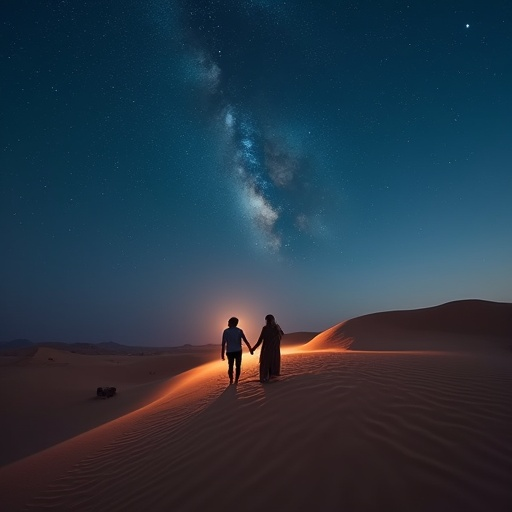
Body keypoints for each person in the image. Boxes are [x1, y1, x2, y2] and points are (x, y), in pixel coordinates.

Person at [252, 314, 284, 383]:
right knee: (267, 364)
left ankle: (271, 379)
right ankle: (268, 378)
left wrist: (253, 349)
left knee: (270, 364)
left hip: (272, 350)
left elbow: (282, 335)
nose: (268, 321)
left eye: (269, 320)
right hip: (269, 350)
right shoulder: (267, 328)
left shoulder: (275, 328)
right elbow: (260, 340)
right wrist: (253, 348)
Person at [221, 317, 253, 384]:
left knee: (230, 366)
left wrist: (222, 354)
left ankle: (232, 380)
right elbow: (245, 341)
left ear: (232, 323)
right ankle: (235, 380)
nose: (228, 323)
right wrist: (250, 349)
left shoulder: (226, 331)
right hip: (237, 351)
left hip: (230, 352)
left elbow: (223, 344)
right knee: (238, 366)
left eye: (229, 322)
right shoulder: (239, 330)